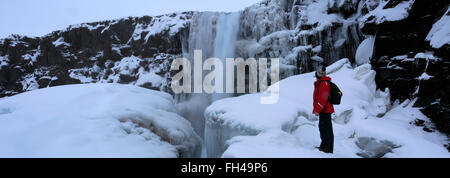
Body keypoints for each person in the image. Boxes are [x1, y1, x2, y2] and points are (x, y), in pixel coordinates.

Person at [313, 67, 335, 154]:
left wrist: (317, 110)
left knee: (326, 129)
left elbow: (323, 99)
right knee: (323, 128)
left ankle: (328, 149)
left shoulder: (324, 83)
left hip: (325, 110)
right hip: (324, 110)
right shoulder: (321, 83)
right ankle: (324, 146)